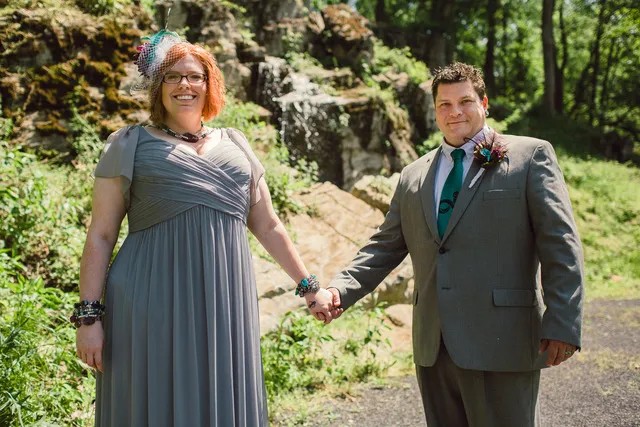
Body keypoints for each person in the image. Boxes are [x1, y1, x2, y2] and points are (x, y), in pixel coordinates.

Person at [73, 30, 337, 426]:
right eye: (173, 76)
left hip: (224, 299)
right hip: (147, 300)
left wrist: (309, 286)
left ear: (209, 83)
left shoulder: (236, 143)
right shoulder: (128, 144)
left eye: (195, 76)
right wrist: (89, 318)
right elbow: (101, 234)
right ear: (156, 86)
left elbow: (267, 224)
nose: (185, 84)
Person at [324, 62, 584, 426]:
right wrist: (340, 290)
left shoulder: (530, 157)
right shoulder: (413, 176)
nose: (455, 112)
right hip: (434, 345)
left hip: (502, 339)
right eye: (444, 105)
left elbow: (560, 243)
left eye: (464, 101)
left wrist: (563, 321)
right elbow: (383, 247)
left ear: (484, 103)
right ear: (434, 111)